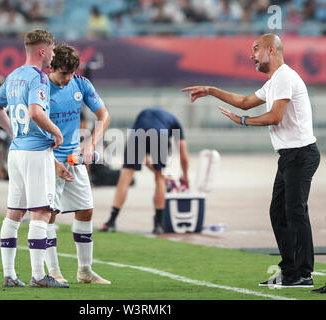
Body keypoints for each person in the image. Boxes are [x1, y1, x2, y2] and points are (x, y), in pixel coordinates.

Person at [182, 34, 320, 289]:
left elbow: (275, 116)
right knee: (279, 212)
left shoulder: (284, 77)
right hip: (290, 155)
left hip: (301, 154)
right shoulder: (274, 82)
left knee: (295, 211)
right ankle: (291, 271)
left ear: (271, 50)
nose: (251, 55)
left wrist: (244, 121)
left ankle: (302, 272)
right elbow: (245, 102)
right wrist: (211, 91)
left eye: (256, 49)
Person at [0, 29, 68, 288]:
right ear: (43, 50)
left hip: (17, 151)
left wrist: (14, 132)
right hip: (35, 153)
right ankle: (38, 275)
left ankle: (9, 274)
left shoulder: (13, 76)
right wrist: (56, 132)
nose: (53, 55)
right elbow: (35, 112)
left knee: (13, 214)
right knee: (41, 213)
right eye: (52, 50)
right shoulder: (38, 78)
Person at [45, 43, 111, 284]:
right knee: (48, 214)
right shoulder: (41, 88)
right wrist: (50, 159)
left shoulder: (81, 84)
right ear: (52, 67)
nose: (67, 79)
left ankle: (84, 271)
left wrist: (91, 143)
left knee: (86, 210)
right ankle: (53, 272)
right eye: (63, 73)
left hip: (74, 159)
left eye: (71, 73)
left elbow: (104, 116)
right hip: (49, 160)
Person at [100, 107, 189, 234]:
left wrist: (159, 173)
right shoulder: (175, 123)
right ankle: (158, 224)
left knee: (125, 176)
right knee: (159, 178)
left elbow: (146, 160)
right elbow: (184, 156)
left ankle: (111, 222)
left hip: (138, 133)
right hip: (160, 135)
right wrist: (185, 177)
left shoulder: (146, 115)